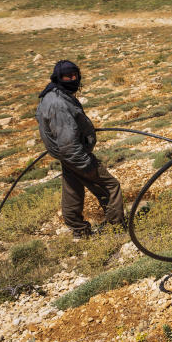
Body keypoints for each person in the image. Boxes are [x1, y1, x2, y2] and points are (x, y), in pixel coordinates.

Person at [36, 60, 124, 239]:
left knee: (73, 190)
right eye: (67, 76)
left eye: (74, 75)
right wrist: (87, 164)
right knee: (110, 186)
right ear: (58, 78)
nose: (72, 79)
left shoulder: (54, 94)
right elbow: (68, 141)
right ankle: (116, 228)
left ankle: (79, 230)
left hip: (67, 155)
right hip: (74, 155)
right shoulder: (58, 103)